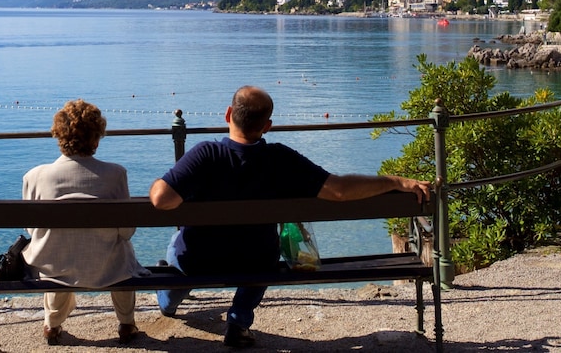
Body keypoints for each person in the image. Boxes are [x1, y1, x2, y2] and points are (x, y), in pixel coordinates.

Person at [149, 85, 431, 348]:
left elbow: (161, 199)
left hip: (199, 261)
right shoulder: (281, 159)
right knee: (263, 253)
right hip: (255, 262)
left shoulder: (206, 154)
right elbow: (340, 190)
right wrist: (394, 181)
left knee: (179, 246)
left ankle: (168, 301)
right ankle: (239, 322)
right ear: (266, 126)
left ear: (228, 115)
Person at [22, 99, 146, 346]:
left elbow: (33, 230)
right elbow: (126, 231)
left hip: (54, 266)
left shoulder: (35, 176)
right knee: (121, 252)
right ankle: (126, 323)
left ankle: (52, 324)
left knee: (58, 249)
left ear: (59, 136)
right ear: (96, 138)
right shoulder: (115, 175)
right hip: (106, 267)